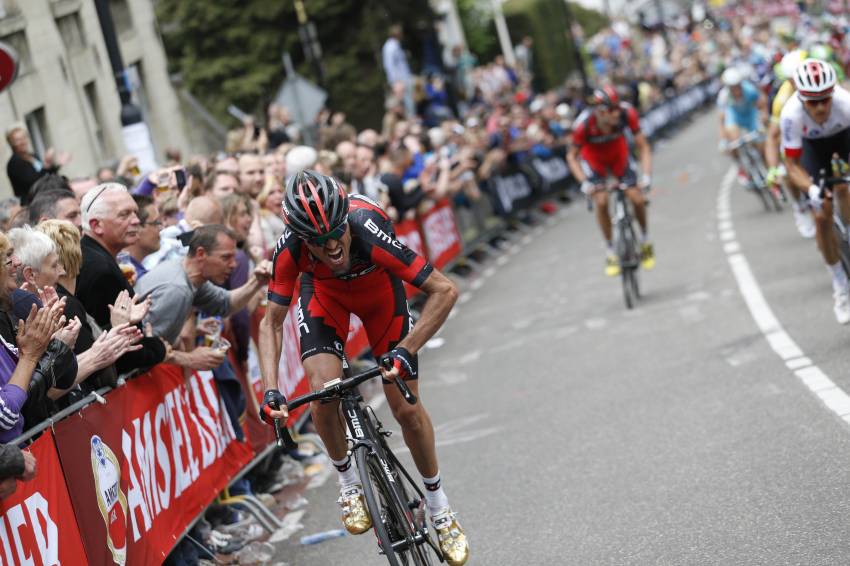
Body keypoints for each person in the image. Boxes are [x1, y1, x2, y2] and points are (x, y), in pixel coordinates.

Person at [258, 170, 468, 565]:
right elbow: (270, 322)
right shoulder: (289, 249)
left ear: (344, 221)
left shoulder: (366, 226)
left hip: (380, 297)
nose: (332, 246)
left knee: (406, 408)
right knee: (323, 392)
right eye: (317, 242)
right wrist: (271, 390)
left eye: (336, 232)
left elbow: (445, 289)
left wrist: (406, 349)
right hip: (324, 299)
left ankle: (440, 508)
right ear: (302, 239)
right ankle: (348, 481)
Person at [135, 225, 271, 368]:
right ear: (201, 254)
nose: (234, 264)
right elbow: (144, 348)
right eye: (226, 257)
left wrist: (257, 282)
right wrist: (190, 359)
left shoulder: (189, 274)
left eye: (233, 257)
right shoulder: (177, 290)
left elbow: (225, 303)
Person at [780, 59, 850, 324]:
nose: (820, 107)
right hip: (812, 148)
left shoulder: (845, 104)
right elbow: (792, 166)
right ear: (801, 99)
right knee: (821, 216)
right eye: (812, 102)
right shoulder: (790, 114)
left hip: (844, 137)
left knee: (844, 185)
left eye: (825, 99)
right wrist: (810, 190)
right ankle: (840, 285)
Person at [76, 183, 166, 372]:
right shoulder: (100, 270)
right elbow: (121, 351)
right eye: (124, 215)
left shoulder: (94, 255)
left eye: (135, 213)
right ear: (96, 225)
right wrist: (159, 347)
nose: (135, 221)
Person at [566, 85, 654, 276]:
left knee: (637, 198)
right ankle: (610, 250)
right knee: (602, 200)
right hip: (594, 161)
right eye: (611, 110)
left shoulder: (627, 113)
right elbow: (572, 157)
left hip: (619, 157)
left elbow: (644, 147)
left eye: (617, 108)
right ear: (600, 110)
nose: (616, 114)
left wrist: (646, 176)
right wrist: (584, 183)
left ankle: (645, 241)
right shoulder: (583, 125)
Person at [765, 50, 816, 238]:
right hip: (795, 133)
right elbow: (772, 137)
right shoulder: (781, 100)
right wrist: (772, 168)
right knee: (787, 171)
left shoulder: (821, 76)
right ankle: (800, 206)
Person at [5, 127, 70, 204]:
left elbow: (46, 175)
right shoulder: (14, 163)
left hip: (45, 197)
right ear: (11, 144)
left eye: (24, 137)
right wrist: (47, 164)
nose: (23, 142)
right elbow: (36, 182)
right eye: (18, 140)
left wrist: (57, 164)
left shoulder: (33, 156)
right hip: (33, 203)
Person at [117, 195, 162, 284]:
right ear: (135, 227)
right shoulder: (128, 276)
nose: (161, 228)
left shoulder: (128, 269)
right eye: (156, 223)